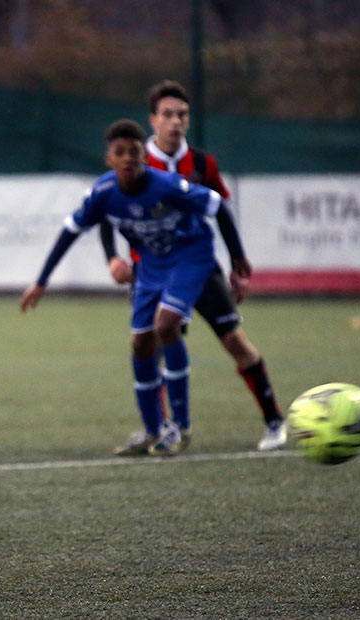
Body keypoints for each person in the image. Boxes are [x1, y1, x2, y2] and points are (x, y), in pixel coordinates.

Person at [21, 119, 250, 457]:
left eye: (134, 151)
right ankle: (153, 429)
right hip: (151, 267)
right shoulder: (103, 193)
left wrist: (237, 257)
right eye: (120, 152)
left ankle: (180, 426)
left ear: (144, 156)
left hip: (191, 257)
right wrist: (41, 281)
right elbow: (70, 231)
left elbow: (218, 206)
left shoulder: (167, 185)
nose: (128, 158)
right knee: (141, 344)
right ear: (109, 159)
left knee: (166, 324)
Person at [99, 80, 286, 453]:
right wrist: (113, 258)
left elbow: (220, 209)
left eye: (182, 115)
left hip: (197, 269)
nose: (176, 122)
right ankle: (161, 429)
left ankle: (274, 421)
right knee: (153, 346)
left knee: (234, 340)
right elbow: (105, 210)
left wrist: (237, 265)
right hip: (152, 271)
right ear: (153, 120)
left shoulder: (202, 163)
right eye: (167, 114)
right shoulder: (134, 160)